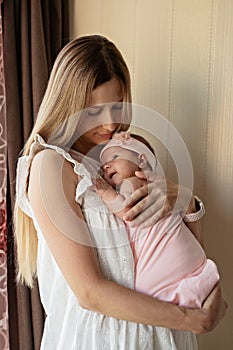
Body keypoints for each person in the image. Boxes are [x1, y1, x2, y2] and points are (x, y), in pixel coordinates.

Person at [14, 35, 227, 350]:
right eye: (94, 111)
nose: (111, 123)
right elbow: (89, 292)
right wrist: (190, 319)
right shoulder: (52, 165)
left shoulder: (130, 151)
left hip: (164, 335)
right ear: (68, 106)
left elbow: (177, 250)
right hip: (100, 340)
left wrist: (185, 200)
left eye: (118, 106)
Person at [96, 131, 220, 308]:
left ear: (142, 161)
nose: (107, 166)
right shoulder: (161, 184)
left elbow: (128, 212)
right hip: (192, 259)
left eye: (114, 157)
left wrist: (106, 193)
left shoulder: (133, 183)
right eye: (104, 164)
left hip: (164, 266)